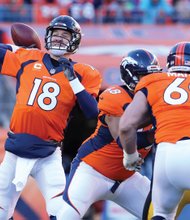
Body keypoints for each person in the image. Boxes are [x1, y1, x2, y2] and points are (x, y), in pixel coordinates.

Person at [0, 15, 102, 220]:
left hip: (47, 154)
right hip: (14, 151)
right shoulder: (28, 57)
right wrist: (13, 48)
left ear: (75, 40)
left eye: (65, 35)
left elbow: (92, 112)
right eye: (55, 34)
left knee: (61, 214)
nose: (58, 39)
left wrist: (72, 80)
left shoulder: (84, 72)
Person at [56, 49, 161, 220]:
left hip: (126, 178)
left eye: (153, 75)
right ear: (130, 76)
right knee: (67, 216)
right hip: (92, 171)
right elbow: (122, 138)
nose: (151, 80)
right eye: (144, 76)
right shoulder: (115, 97)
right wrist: (157, 133)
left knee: (161, 213)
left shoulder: (158, 97)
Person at [119, 41, 190, 220]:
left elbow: (126, 126)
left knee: (161, 215)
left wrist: (130, 156)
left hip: (165, 156)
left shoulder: (154, 80)